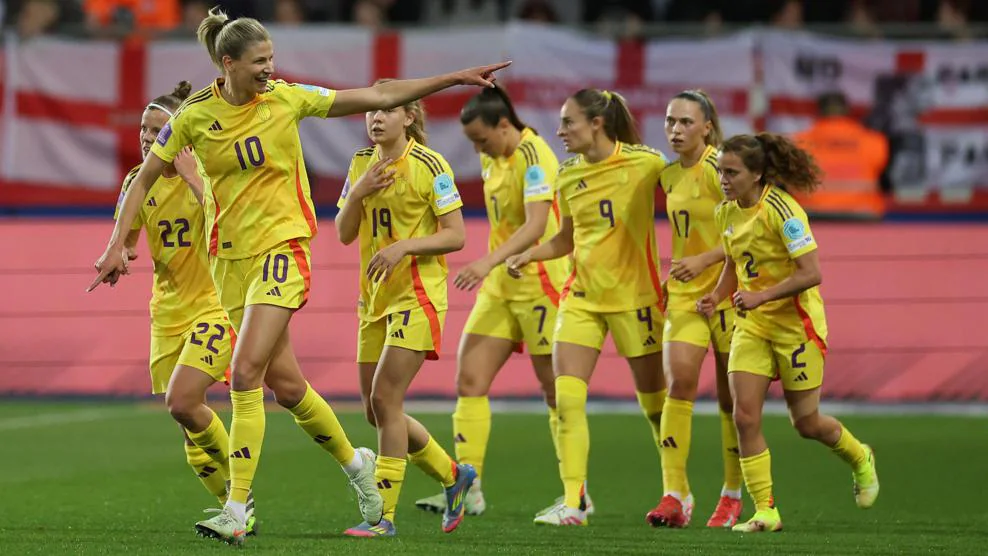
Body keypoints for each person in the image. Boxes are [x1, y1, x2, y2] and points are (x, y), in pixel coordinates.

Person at [88, 6, 510, 546]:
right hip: (230, 264)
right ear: (228, 63)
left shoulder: (288, 98)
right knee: (288, 388)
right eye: (260, 61)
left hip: (284, 251)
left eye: (272, 58)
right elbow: (144, 177)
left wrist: (453, 78)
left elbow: (378, 94)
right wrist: (114, 245)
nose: (270, 68)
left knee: (244, 375)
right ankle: (359, 469)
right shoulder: (193, 116)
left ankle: (237, 509)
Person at [698, 132, 880, 533]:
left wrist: (761, 296)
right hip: (752, 327)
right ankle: (766, 511)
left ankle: (859, 457)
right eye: (720, 171)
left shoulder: (784, 211)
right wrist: (716, 296)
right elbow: (734, 261)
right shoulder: (725, 212)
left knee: (806, 423)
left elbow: (811, 273)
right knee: (744, 416)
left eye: (732, 172)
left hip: (796, 328)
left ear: (758, 173)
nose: (723, 179)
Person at [413, 85, 579, 518]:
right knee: (469, 381)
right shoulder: (493, 156)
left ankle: (575, 493)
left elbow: (537, 224)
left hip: (540, 283)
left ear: (504, 124)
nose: (477, 149)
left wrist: (485, 262)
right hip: (501, 288)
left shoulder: (535, 155)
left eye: (481, 140)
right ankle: (470, 489)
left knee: (553, 391)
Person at [506, 89, 668, 526]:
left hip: (636, 299)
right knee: (567, 397)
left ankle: (678, 493)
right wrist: (529, 254)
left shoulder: (647, 163)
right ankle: (574, 500)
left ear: (597, 123)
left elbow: (693, 202)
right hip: (582, 299)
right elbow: (565, 239)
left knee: (657, 407)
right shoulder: (567, 175)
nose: (560, 132)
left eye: (568, 122)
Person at [107, 80, 255, 535]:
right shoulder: (137, 181)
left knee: (183, 400)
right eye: (144, 131)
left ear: (181, 134)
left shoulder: (207, 171)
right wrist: (121, 257)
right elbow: (128, 239)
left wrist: (193, 179)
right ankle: (235, 507)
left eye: (158, 131)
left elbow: (231, 224)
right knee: (188, 428)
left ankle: (241, 501)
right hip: (168, 309)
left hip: (214, 304)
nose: (149, 140)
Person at [333, 83, 474, 538]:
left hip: (418, 295)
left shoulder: (432, 166)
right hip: (372, 301)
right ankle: (454, 476)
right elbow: (343, 234)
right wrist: (358, 193)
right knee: (377, 412)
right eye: (371, 110)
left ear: (409, 117)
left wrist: (405, 247)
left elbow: (457, 235)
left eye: (387, 110)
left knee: (385, 400)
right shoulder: (360, 164)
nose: (376, 117)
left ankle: (382, 517)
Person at [646, 90, 742, 529]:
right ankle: (674, 494)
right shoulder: (667, 175)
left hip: (728, 293)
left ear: (707, 126)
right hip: (685, 296)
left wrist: (704, 260)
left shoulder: (720, 171)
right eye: (670, 122)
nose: (676, 130)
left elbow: (749, 228)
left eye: (686, 122)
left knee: (732, 399)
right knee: (679, 382)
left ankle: (732, 494)